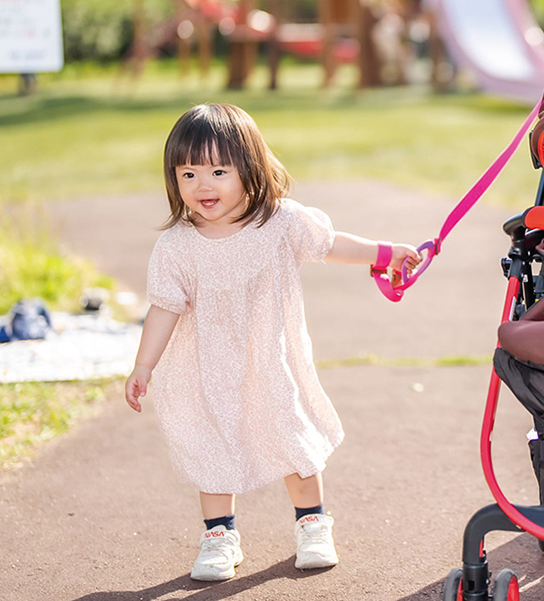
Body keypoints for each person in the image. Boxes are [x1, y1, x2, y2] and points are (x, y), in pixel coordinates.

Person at [124, 103, 421, 582]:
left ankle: (312, 524)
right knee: (211, 445)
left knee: (291, 435)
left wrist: (385, 253)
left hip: (271, 360)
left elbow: (331, 245)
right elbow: (163, 307)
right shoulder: (177, 245)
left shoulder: (279, 222)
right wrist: (144, 366)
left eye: (219, 171)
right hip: (205, 369)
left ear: (249, 168)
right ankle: (219, 535)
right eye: (188, 173)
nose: (204, 186)